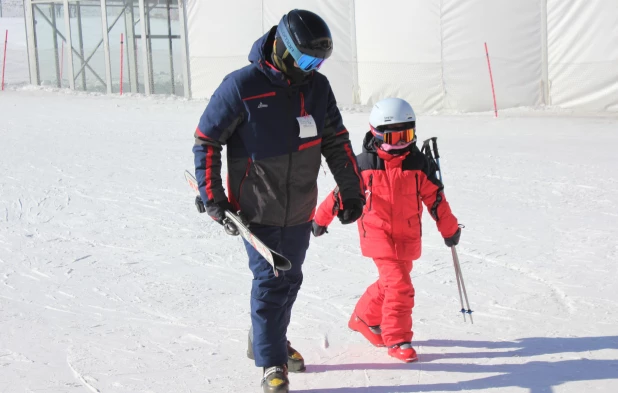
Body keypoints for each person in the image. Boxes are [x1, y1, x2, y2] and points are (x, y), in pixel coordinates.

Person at [192, 9, 365, 393]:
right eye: (306, 60)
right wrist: (213, 197)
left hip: (300, 206)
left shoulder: (317, 89)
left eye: (319, 62)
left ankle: (267, 339)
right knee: (271, 282)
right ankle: (271, 362)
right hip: (256, 208)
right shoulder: (242, 86)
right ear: (283, 48)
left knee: (290, 280)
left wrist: (351, 190)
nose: (312, 68)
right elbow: (206, 140)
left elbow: (336, 140)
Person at [312, 97, 461, 363]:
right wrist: (321, 219)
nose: (402, 144)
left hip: (407, 235)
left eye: (408, 135)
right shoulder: (364, 165)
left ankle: (363, 318)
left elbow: (435, 199)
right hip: (378, 235)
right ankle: (398, 339)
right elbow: (340, 195)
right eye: (395, 137)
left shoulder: (418, 164)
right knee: (400, 286)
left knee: (390, 284)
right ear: (377, 134)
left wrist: (449, 229)